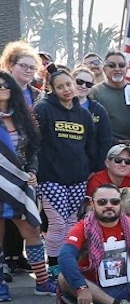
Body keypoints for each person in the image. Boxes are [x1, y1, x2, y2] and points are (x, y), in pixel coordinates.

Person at [35, 70, 102, 279]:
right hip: (50, 176)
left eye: (68, 84)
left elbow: (90, 144)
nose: (66, 89)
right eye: (60, 86)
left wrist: (89, 169)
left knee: (72, 223)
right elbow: (34, 141)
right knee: (57, 223)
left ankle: (68, 265)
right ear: (52, 89)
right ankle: (54, 267)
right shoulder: (43, 109)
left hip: (77, 177)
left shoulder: (84, 114)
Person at [0, 81, 49, 300]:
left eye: (5, 84)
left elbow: (32, 151)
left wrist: (32, 171)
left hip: (20, 182)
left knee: (33, 231)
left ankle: (43, 282)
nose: (2, 88)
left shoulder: (23, 117)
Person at [89, 51, 130, 148]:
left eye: (121, 65)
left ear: (127, 68)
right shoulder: (95, 92)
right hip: (106, 146)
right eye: (112, 65)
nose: (117, 69)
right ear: (104, 69)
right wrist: (115, 141)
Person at [72, 66, 113, 152]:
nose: (83, 86)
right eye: (79, 82)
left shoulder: (98, 110)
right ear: (71, 81)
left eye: (88, 84)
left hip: (90, 158)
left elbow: (106, 139)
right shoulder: (60, 106)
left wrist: (99, 159)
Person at [1, 41, 43, 107]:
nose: (28, 70)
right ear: (11, 66)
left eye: (32, 67)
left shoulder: (38, 95)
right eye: (23, 65)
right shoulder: (3, 91)